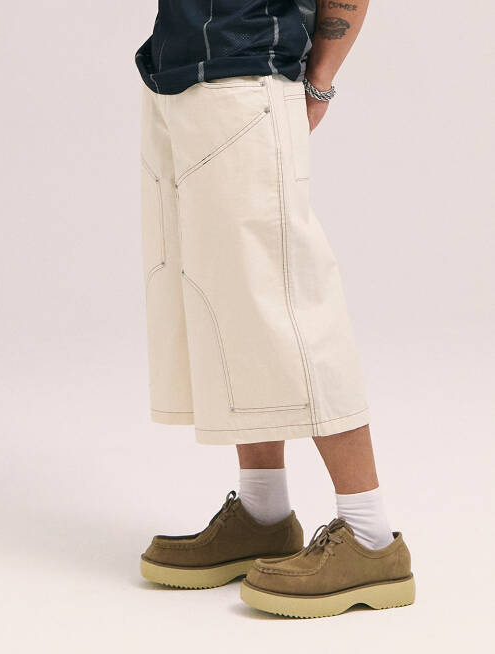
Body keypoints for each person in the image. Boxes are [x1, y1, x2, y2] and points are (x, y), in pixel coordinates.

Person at [135, 0, 415, 618]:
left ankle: (370, 535)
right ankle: (263, 515)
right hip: (174, 77)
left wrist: (320, 81)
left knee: (292, 308)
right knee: (229, 304)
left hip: (250, 80)